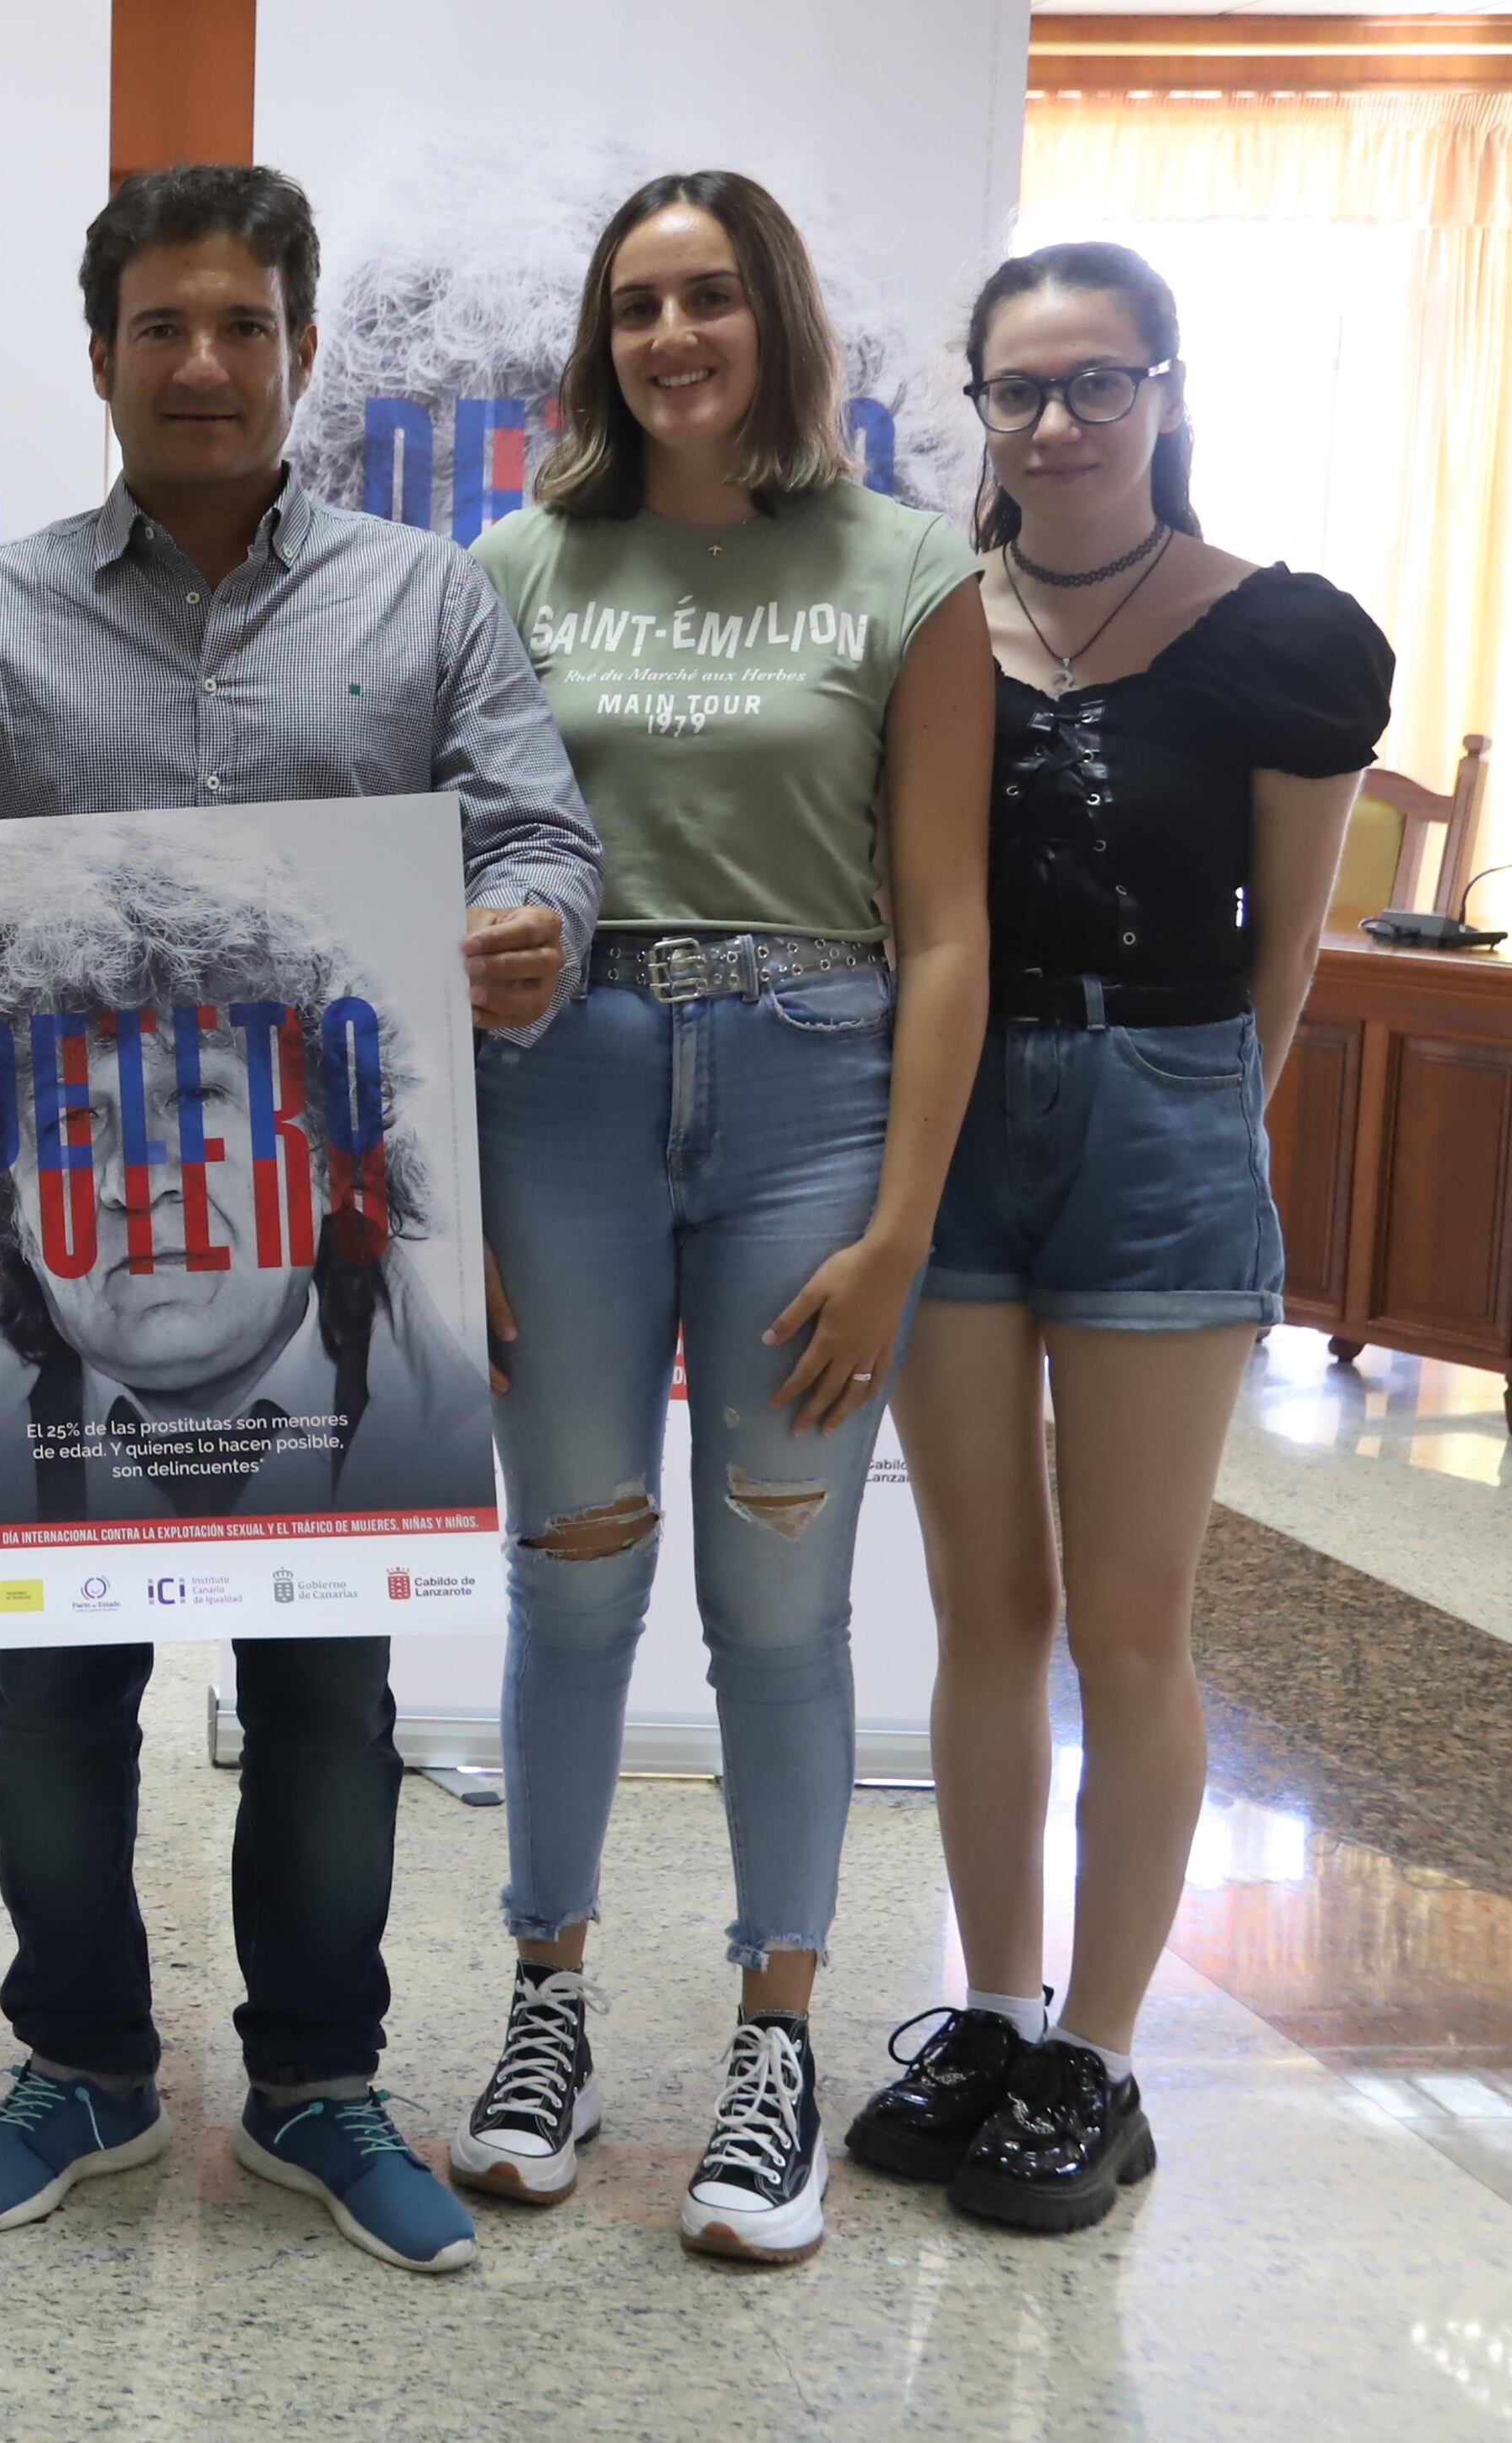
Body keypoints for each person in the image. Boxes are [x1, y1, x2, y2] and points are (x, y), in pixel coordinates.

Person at [0, 162, 599, 2275]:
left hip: (330, 1282)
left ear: (300, 349)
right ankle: (80, 2066)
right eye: (162, 327)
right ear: (100, 361)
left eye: (243, 325)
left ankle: (323, 2083)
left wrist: (531, 928)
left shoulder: (427, 603)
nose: (206, 363)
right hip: (79, 1288)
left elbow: (541, 839)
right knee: (51, 1702)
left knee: (328, 1703)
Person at [441, 171, 992, 2266]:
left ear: (773, 318)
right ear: (601, 339)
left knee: (779, 1600)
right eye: (637, 303)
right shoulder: (513, 564)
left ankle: (776, 2039)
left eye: (709, 298)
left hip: (809, 1106)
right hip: (556, 1097)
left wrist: (896, 1227)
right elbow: (454, 875)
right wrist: (445, 1204)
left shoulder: (906, 569)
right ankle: (546, 2004)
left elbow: (945, 930)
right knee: (569, 1570)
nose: (673, 335)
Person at [847, 243, 1389, 2232]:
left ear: (1164, 391)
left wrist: (1185, 1134)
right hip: (951, 1124)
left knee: (1127, 1622)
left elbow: (1289, 949)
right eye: (1018, 388)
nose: (1057, 422)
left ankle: (1099, 2052)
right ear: (973, 408)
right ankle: (991, 2010)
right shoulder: (924, 623)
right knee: (984, 1601)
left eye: (1097, 382)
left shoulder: (1282, 638)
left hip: (1158, 1111)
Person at [0, 839, 496, 1530]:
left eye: (199, 1096)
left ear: (331, 1156)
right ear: (9, 1208)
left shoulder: (483, 1420)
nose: (135, 1180)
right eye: (75, 1118)